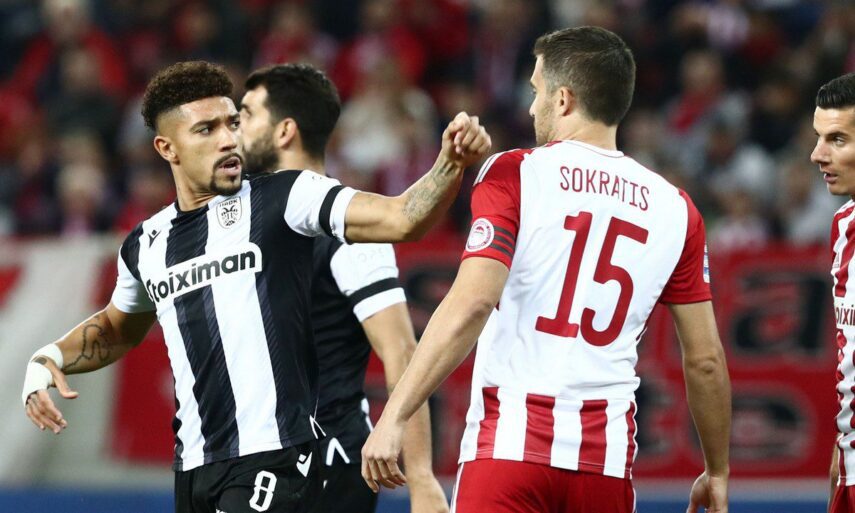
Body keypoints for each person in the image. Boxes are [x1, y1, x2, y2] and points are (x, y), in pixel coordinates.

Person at [20, 60, 490, 513]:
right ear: (167, 148)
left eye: (232, 123)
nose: (229, 139)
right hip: (194, 468)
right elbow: (116, 328)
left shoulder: (288, 196)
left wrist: (449, 164)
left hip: (277, 459)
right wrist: (49, 357)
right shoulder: (145, 244)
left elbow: (401, 218)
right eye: (207, 130)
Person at [361, 26, 731, 513]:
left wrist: (395, 416)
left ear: (563, 99)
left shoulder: (515, 172)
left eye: (536, 91)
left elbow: (473, 302)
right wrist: (717, 470)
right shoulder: (677, 209)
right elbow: (705, 359)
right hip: (605, 467)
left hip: (508, 451)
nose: (532, 106)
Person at [239, 63, 448, 513]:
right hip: (252, 465)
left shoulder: (347, 228)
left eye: (248, 114)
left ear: (285, 131)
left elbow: (401, 352)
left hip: (326, 464)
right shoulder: (239, 226)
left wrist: (421, 479)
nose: (235, 128)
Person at [811, 72, 855, 513]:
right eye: (819, 137)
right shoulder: (843, 227)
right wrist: (840, 454)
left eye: (837, 140)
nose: (817, 154)